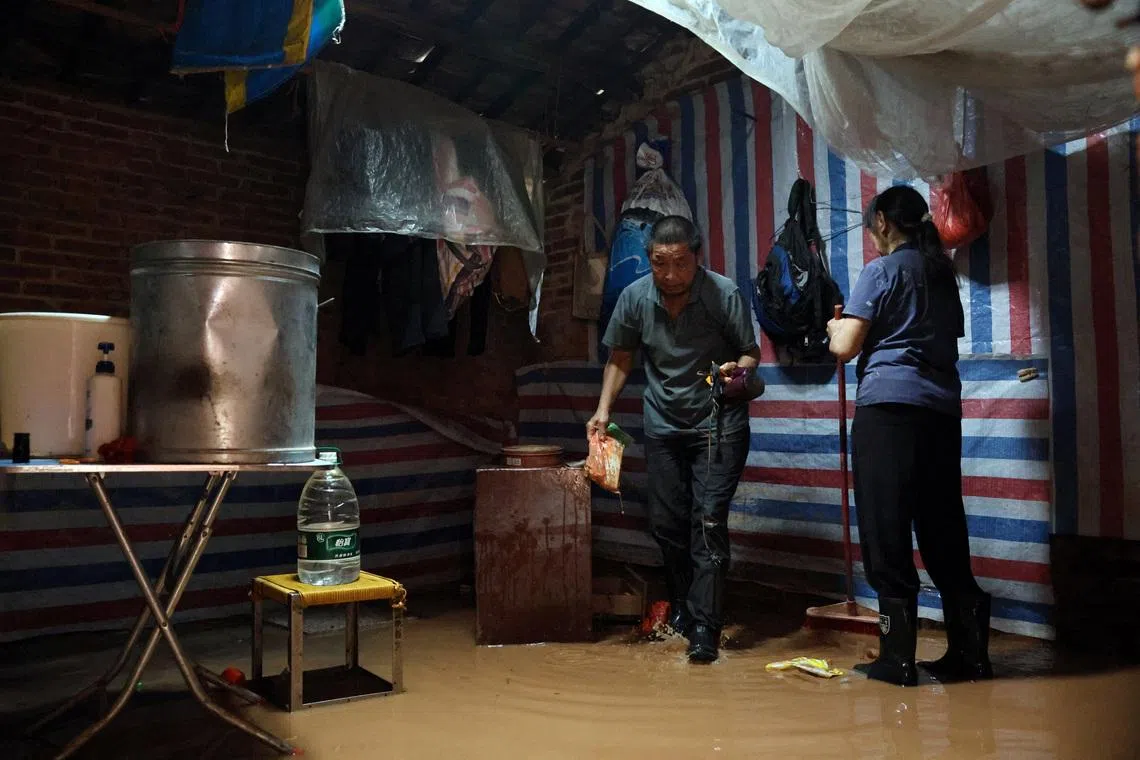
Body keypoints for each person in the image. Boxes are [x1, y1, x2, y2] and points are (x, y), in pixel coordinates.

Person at [826, 185, 992, 686]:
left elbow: (847, 346)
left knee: (885, 527)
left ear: (882, 223)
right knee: (942, 526)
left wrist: (835, 331)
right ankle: (971, 656)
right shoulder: (943, 276)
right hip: (941, 413)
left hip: (889, 412)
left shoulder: (880, 271)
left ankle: (896, 660)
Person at [588, 215, 761, 663]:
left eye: (680, 264)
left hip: (718, 427)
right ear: (649, 260)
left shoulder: (723, 294)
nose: (670, 275)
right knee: (666, 525)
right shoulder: (635, 297)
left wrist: (735, 370)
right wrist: (603, 411)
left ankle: (706, 627)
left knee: (707, 523)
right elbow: (620, 358)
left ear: (696, 258)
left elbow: (750, 352)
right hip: (663, 427)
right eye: (661, 264)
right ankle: (683, 602)